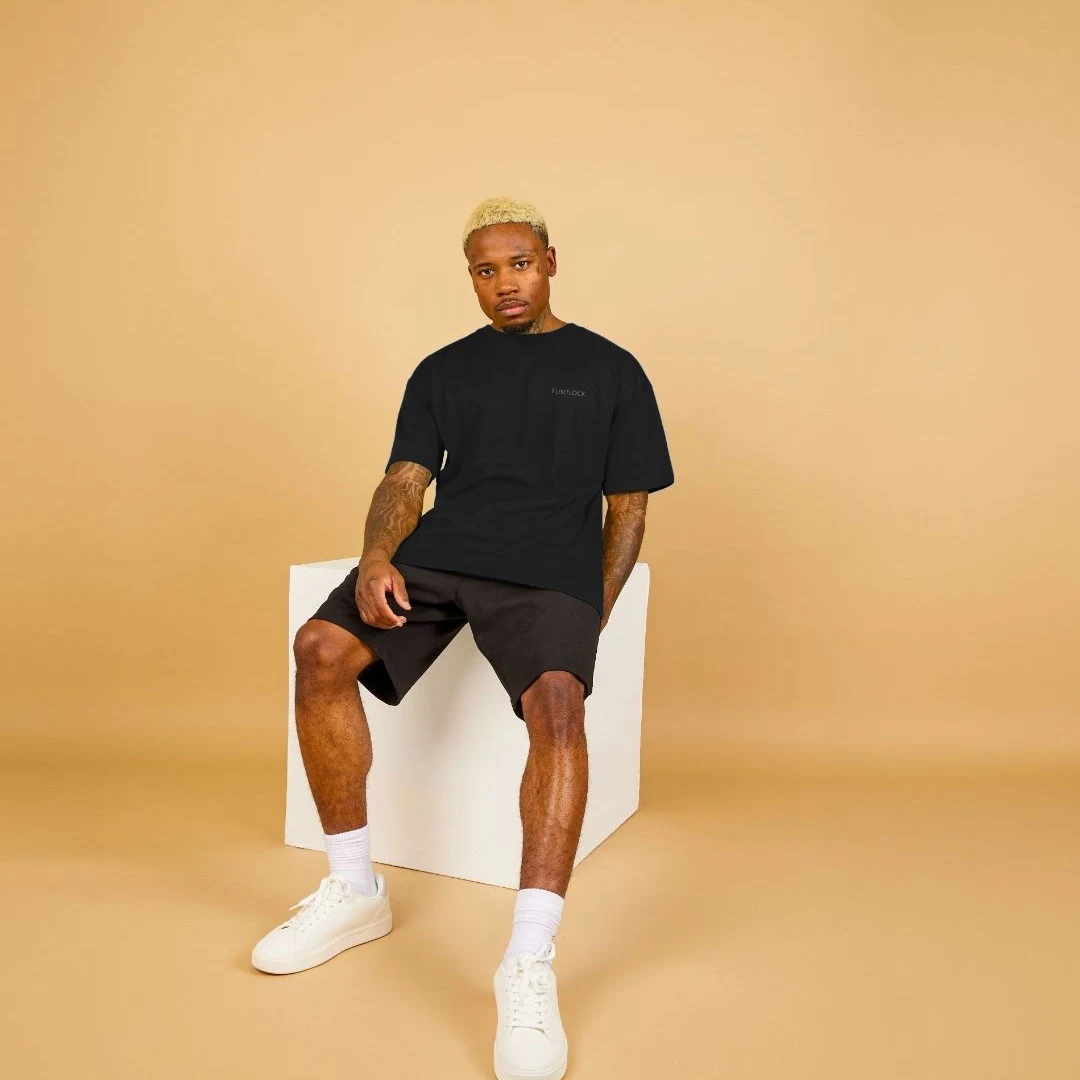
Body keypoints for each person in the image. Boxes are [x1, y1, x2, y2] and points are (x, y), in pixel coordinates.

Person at [250, 195, 675, 1080]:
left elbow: (629, 509)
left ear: (550, 261)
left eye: (518, 263)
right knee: (318, 649)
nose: (503, 282)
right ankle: (354, 887)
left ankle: (528, 958)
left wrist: (592, 610)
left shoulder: (612, 369)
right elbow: (406, 480)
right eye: (485, 270)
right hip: (441, 557)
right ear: (472, 279)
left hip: (549, 570)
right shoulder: (443, 370)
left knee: (558, 706)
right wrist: (376, 555)